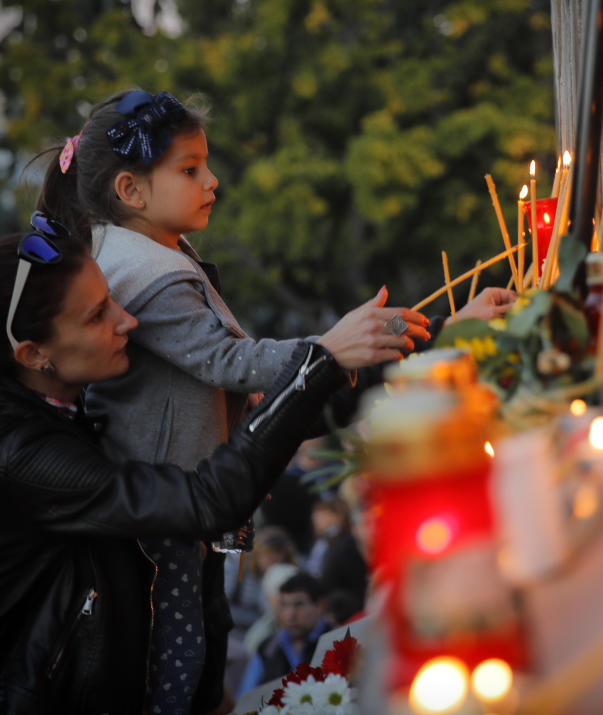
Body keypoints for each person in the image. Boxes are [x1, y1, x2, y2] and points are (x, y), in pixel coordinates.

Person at [34, 87, 515, 713]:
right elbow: (233, 362)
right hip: (168, 509)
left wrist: (414, 335)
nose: (212, 180)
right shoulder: (153, 279)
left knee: (201, 641)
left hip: (174, 502)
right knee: (183, 661)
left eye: (206, 163)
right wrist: (331, 347)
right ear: (131, 191)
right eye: (189, 169)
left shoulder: (146, 257)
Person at [0, 222, 412, 713]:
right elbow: (206, 499)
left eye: (113, 298)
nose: (127, 321)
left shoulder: (80, 401)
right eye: (96, 316)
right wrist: (315, 361)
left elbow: (250, 435)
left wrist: (421, 351)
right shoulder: (22, 453)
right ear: (33, 353)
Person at [236, 572, 330, 696]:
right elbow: (245, 696)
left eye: (299, 604)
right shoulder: (267, 648)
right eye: (284, 605)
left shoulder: (336, 642)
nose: (290, 614)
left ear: (320, 605)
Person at [305, 493, 369, 608]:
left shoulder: (346, 543)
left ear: (337, 515)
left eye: (321, 513)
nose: (315, 518)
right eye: (315, 514)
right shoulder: (323, 544)